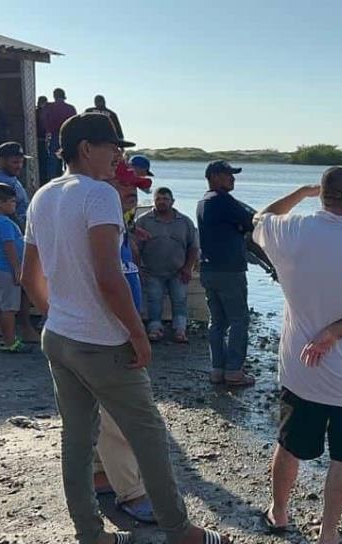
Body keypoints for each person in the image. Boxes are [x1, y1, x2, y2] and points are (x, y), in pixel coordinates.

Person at [20, 112, 229, 544]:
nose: (119, 154)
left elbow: (29, 275)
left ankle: (91, 537)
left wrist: (56, 314)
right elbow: (108, 275)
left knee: (77, 441)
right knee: (149, 437)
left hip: (59, 337)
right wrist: (137, 333)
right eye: (113, 146)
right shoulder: (98, 195)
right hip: (101, 342)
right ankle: (180, 532)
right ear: (86, 148)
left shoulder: (42, 195)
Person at [252, 166, 342, 544]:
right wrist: (333, 333)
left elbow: (259, 218)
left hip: (301, 370)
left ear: (322, 196)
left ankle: (279, 513)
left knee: (288, 445)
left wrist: (300, 192)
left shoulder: (291, 230)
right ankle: (328, 533)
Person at [89, 159, 158, 525]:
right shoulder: (100, 229)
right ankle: (131, 492)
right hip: (112, 334)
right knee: (123, 416)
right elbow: (107, 283)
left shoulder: (120, 229)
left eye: (135, 187)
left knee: (102, 412)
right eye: (122, 185)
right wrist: (134, 333)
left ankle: (101, 474)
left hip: (117, 329)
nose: (132, 192)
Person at [196, 160, 256, 386]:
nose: (233, 178)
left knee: (218, 321)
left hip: (209, 269)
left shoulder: (203, 201)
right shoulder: (222, 200)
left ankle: (217, 369)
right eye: (228, 174)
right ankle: (234, 371)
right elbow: (251, 222)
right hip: (229, 270)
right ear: (214, 176)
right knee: (239, 319)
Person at [136, 187, 198, 343]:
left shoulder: (185, 221)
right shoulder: (143, 220)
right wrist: (137, 268)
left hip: (178, 271)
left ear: (172, 202)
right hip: (151, 270)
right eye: (158, 199)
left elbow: (193, 247)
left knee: (179, 300)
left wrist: (188, 268)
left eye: (165, 199)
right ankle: (155, 329)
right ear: (154, 201)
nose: (161, 202)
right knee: (154, 300)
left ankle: (180, 330)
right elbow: (134, 247)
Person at [0, 183, 38, 353]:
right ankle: (10, 342)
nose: (14, 205)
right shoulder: (5, 224)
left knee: (5, 306)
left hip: (1, 267)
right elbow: (9, 247)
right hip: (7, 268)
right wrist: (17, 269)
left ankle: (8, 338)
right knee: (9, 308)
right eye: (12, 202)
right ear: (1, 203)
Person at [0, 142, 32, 227]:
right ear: (0, 161)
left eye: (21, 162)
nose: (19, 166)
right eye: (15, 162)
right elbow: (9, 217)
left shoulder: (9, 176)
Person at [43, 88, 78, 178]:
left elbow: (45, 120)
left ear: (55, 96)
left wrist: (47, 132)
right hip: (68, 136)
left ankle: (51, 180)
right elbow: (75, 123)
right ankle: (69, 177)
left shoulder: (49, 107)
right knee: (69, 159)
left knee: (53, 160)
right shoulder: (70, 108)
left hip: (54, 135)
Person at [36, 96, 50, 185]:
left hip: (37, 139)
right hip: (42, 139)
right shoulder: (44, 113)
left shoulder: (35, 112)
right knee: (44, 161)